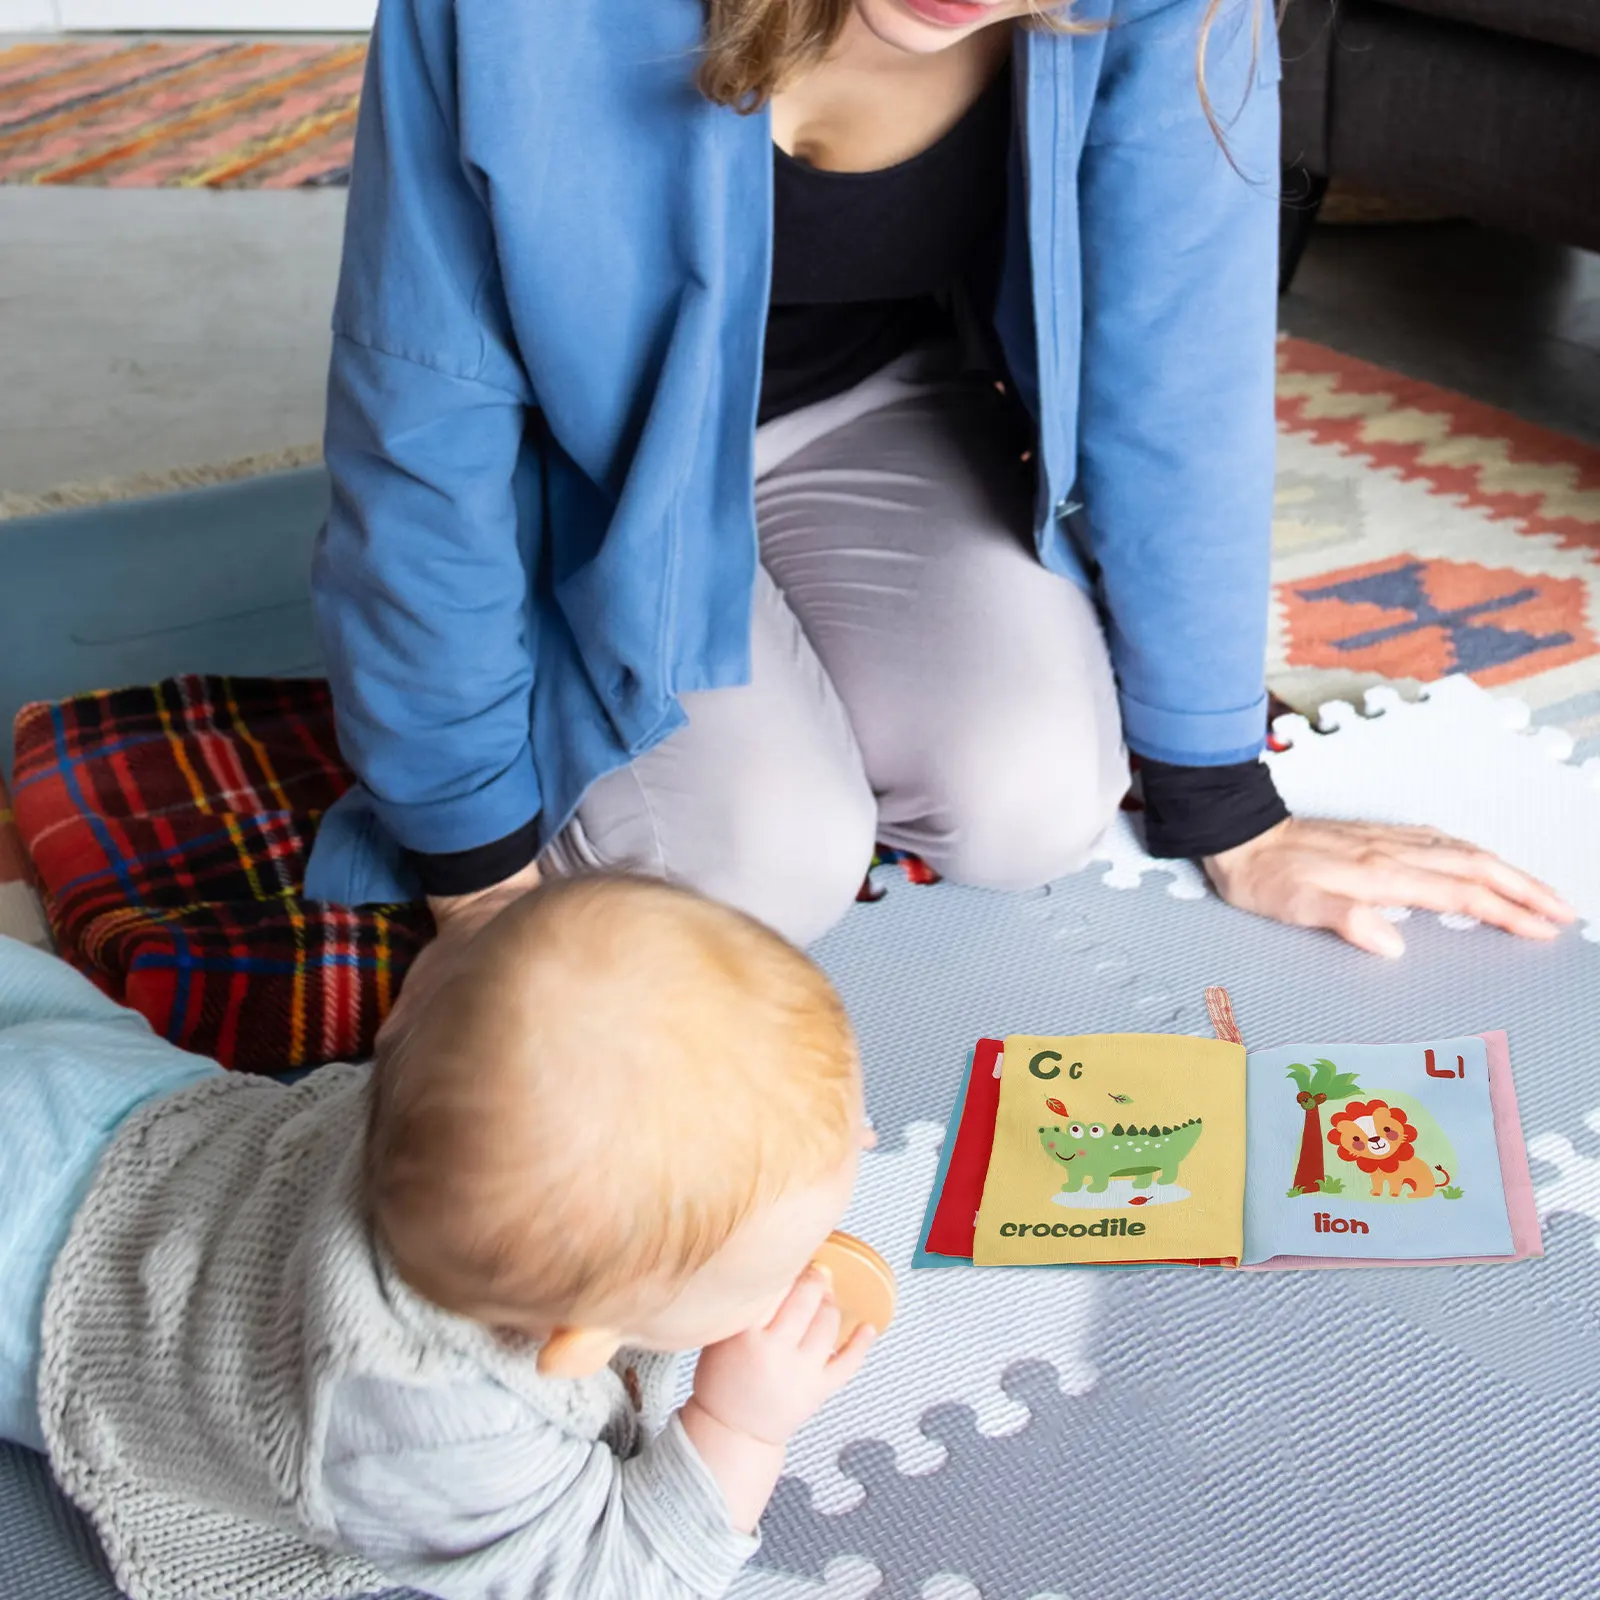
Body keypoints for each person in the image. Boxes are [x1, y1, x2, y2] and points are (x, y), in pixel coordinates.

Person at [305, 0, 1574, 998]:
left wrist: (1223, 800)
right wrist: (471, 873)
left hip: (869, 411)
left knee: (1030, 805)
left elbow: (1178, 375)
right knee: (754, 858)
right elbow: (421, 412)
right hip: (584, 467)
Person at [0, 878, 875, 1600]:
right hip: (37, 1277)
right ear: (575, 1347)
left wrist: (818, 1126)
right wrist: (739, 1423)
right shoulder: (424, 1417)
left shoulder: (469, 1089)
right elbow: (616, 1576)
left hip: (97, 1087)